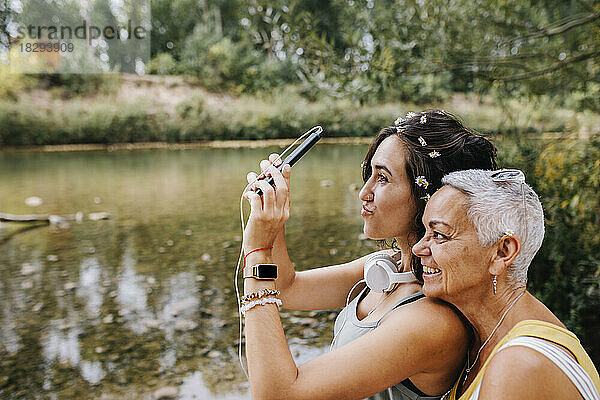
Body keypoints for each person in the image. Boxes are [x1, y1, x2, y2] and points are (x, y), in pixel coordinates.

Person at [241, 110, 497, 400]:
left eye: (383, 178)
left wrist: (258, 252)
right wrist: (272, 220)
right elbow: (287, 288)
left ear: (432, 196)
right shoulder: (387, 267)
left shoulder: (432, 320)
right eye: (370, 174)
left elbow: (277, 396)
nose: (364, 192)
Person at [412, 168, 600, 400]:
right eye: (425, 231)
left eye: (439, 234)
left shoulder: (517, 365)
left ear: (502, 252)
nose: (418, 248)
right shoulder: (480, 342)